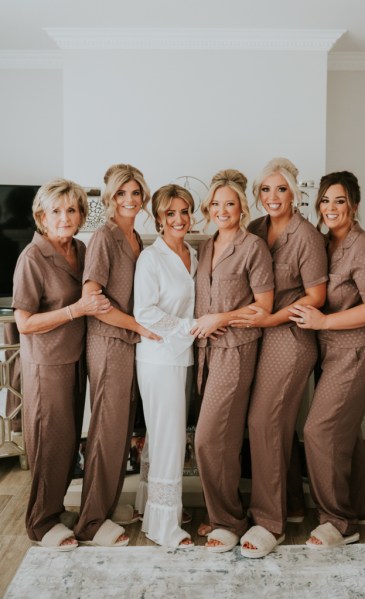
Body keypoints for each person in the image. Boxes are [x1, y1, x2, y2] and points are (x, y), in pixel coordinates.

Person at [230, 157, 328, 558]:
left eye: (281, 189)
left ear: (295, 192)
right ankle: (290, 505)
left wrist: (270, 317)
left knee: (264, 419)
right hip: (260, 336)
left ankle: (269, 522)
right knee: (277, 424)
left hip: (291, 337)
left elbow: (316, 296)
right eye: (265, 190)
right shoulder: (254, 229)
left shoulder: (306, 237)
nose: (272, 197)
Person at [289, 171, 365, 548]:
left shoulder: (364, 248)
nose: (331, 208)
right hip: (333, 351)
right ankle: (357, 506)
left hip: (357, 350)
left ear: (355, 206)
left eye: (340, 201)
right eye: (326, 201)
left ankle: (339, 522)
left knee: (319, 430)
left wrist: (325, 320)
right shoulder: (326, 242)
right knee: (347, 432)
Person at [12, 178, 111, 550]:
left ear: (83, 214)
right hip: (46, 363)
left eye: (72, 210)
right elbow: (24, 322)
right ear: (41, 216)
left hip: (75, 359)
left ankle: (54, 509)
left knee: (68, 441)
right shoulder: (32, 258)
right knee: (48, 441)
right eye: (56, 211)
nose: (65, 217)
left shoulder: (82, 249)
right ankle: (40, 522)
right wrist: (75, 310)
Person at [74, 164, 159, 547]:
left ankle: (107, 506)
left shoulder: (136, 235)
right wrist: (139, 327)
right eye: (122, 193)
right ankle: (91, 521)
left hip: (128, 343)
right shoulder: (104, 237)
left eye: (135, 192)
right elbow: (93, 299)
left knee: (121, 430)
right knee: (107, 431)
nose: (129, 199)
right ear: (109, 197)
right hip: (108, 343)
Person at [192, 169, 274, 553]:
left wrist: (221, 319)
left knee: (210, 439)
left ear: (243, 207)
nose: (223, 210)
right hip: (205, 353)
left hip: (237, 350)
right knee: (220, 440)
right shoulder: (206, 246)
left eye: (231, 203)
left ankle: (228, 521)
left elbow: (264, 306)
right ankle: (225, 513)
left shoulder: (253, 247)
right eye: (217, 204)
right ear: (208, 209)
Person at [133, 184, 198, 548]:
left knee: (162, 435)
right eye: (170, 213)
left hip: (182, 356)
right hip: (158, 359)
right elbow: (144, 312)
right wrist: (189, 327)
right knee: (169, 436)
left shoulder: (193, 253)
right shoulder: (150, 259)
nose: (178, 219)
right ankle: (164, 526)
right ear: (158, 218)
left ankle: (152, 505)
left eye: (184, 211)